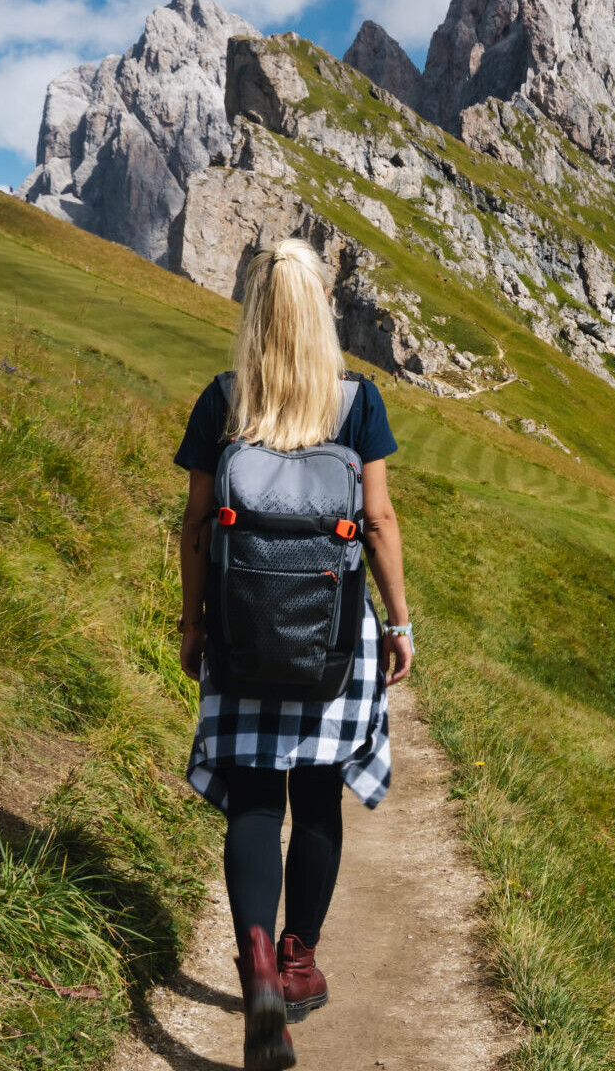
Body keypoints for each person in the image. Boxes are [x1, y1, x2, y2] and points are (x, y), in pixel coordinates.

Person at [175, 239, 414, 1071]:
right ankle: (300, 955)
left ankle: (260, 977)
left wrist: (191, 624)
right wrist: (399, 622)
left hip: (240, 634)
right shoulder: (357, 403)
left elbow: (197, 526)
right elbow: (378, 523)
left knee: (252, 800)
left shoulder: (223, 400)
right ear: (320, 312)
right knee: (316, 800)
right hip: (330, 639)